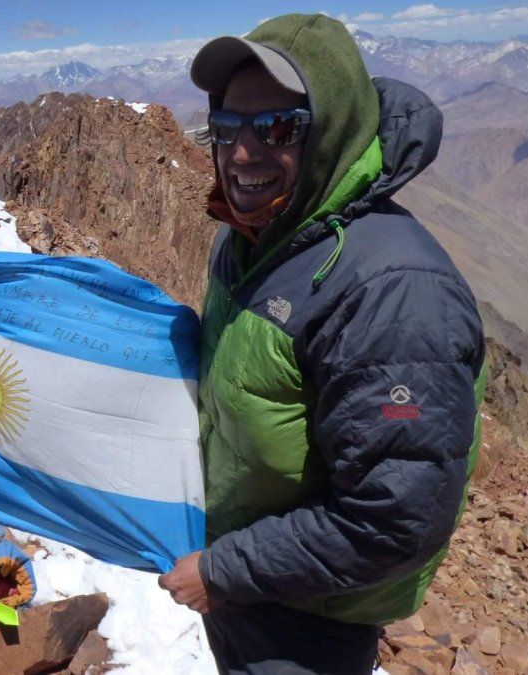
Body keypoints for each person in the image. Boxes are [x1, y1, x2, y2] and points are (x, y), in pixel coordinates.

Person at [158, 13, 486, 674]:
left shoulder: (392, 291)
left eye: (278, 128)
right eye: (226, 129)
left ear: (330, 131)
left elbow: (395, 518)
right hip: (251, 583)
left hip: (310, 618)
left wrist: (223, 571)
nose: (242, 153)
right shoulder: (253, 234)